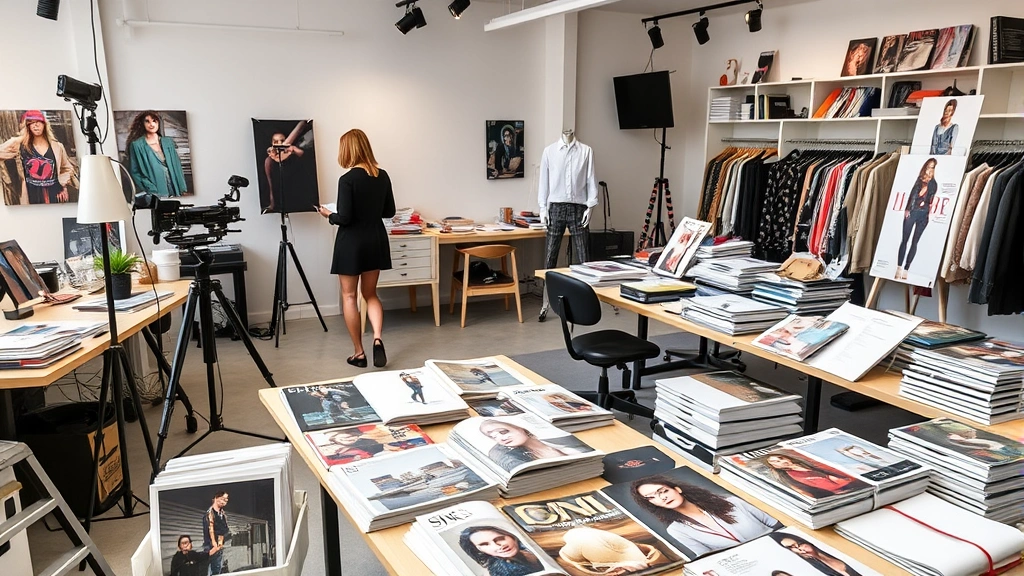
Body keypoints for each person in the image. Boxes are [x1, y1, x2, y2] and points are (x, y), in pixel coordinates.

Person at [317, 129, 396, 368]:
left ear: (348, 150)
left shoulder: (347, 179)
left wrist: (329, 214)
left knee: (349, 296)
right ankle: (378, 339)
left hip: (351, 243)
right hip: (375, 240)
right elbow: (389, 212)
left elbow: (346, 218)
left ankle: (359, 353)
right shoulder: (382, 175)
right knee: (370, 294)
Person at [629, 475, 782, 557]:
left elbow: (776, 525)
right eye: (652, 497)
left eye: (663, 491)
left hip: (779, 548)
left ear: (677, 489)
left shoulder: (731, 501)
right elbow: (706, 556)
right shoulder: (676, 530)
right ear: (651, 503)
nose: (662, 498)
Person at [0, 110, 75, 204]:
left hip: (54, 192)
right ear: (28, 126)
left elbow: (67, 168)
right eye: (32, 123)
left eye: (39, 122)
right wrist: (17, 140)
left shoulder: (57, 146)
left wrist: (62, 185)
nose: (36, 125)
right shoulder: (20, 145)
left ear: (44, 124)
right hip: (31, 192)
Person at [479, 419, 590, 472]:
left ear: (520, 427)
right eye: (494, 437)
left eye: (503, 432)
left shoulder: (558, 439)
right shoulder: (511, 457)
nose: (501, 439)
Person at [125, 110, 188, 197]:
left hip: (175, 188)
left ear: (158, 123)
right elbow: (135, 172)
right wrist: (150, 188)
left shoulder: (168, 142)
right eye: (147, 121)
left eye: (154, 120)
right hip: (156, 190)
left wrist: (182, 188)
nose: (151, 124)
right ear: (142, 124)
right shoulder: (137, 145)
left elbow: (177, 167)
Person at [896, 158, 938, 281]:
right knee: (904, 240)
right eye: (928, 166)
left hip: (923, 215)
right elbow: (912, 195)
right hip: (912, 211)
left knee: (915, 242)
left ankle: (906, 269)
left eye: (932, 167)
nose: (929, 169)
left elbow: (930, 201)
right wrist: (907, 209)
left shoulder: (933, 183)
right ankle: (898, 267)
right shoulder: (919, 180)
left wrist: (929, 215)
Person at [756, 453, 862, 499]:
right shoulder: (790, 476)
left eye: (781, 458)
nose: (781, 461)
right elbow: (805, 490)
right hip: (835, 493)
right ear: (774, 466)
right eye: (776, 462)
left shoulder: (807, 463)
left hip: (850, 484)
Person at [458, 525, 544, 576]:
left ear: (511, 536)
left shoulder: (524, 549)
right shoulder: (507, 570)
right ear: (479, 549)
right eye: (485, 544)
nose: (497, 546)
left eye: (500, 538)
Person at [768, 532, 864, 576]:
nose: (799, 549)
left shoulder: (836, 551)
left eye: (799, 544)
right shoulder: (821, 569)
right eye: (792, 548)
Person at [202, 491, 230, 575]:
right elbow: (210, 529)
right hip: (211, 546)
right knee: (211, 570)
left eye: (226, 500)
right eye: (222, 499)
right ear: (216, 498)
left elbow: (225, 529)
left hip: (219, 546)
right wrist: (214, 545)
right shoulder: (210, 514)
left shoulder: (222, 514)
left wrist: (220, 543)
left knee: (217, 569)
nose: (224, 502)